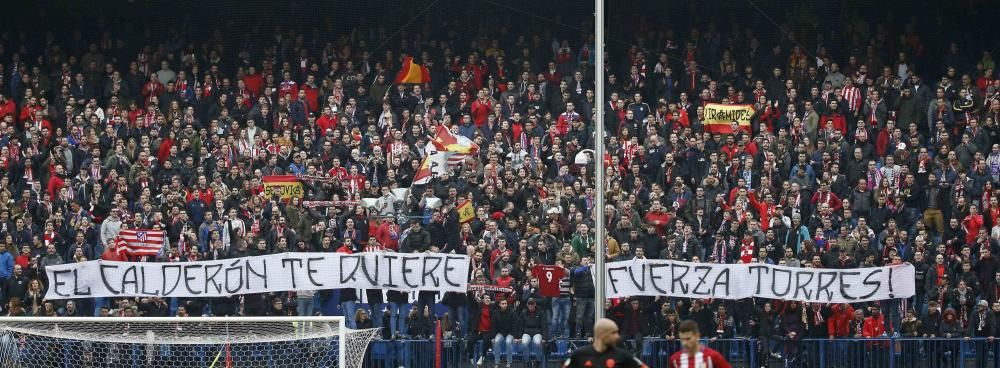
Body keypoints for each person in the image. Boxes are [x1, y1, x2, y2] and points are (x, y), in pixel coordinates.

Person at [564, 318, 646, 368]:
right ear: (602, 334)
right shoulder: (579, 355)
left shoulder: (623, 355)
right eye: (613, 333)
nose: (617, 336)